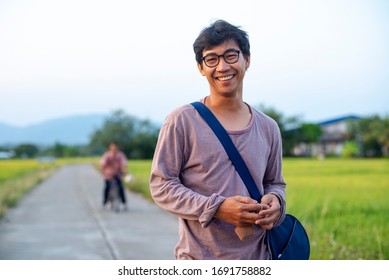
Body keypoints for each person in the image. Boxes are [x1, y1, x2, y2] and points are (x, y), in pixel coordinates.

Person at [150, 19, 286, 260]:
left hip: (260, 258)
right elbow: (162, 185)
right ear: (201, 68)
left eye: (231, 56)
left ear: (247, 60)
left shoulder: (268, 127)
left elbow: (274, 182)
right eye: (211, 59)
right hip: (198, 258)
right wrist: (218, 208)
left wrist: (276, 201)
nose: (222, 67)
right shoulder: (182, 120)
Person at [100, 142, 128, 210]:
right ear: (110, 148)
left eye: (115, 148)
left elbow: (124, 163)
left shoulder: (120, 155)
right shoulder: (107, 155)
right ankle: (105, 201)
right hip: (108, 174)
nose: (114, 150)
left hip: (118, 173)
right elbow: (103, 164)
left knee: (120, 187)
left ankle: (123, 202)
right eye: (112, 148)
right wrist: (103, 171)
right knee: (107, 187)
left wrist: (124, 171)